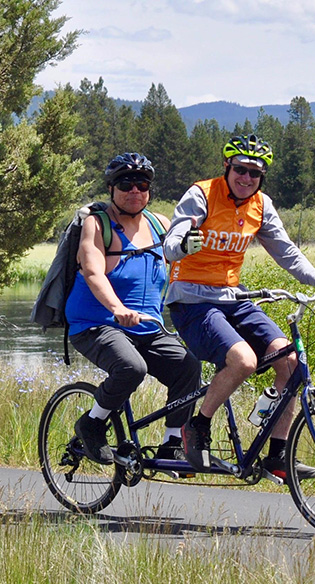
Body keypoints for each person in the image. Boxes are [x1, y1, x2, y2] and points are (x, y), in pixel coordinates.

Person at [163, 134, 315, 477]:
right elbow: (172, 241)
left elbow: (285, 251)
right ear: (227, 168)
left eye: (255, 174)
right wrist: (184, 244)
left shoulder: (261, 204)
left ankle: (277, 454)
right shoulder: (202, 194)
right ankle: (197, 428)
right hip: (192, 300)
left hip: (233, 296)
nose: (246, 179)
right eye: (240, 170)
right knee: (243, 360)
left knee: (289, 361)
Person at [67, 153, 202, 465]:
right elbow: (92, 272)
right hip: (97, 323)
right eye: (126, 183)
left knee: (188, 368)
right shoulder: (97, 225)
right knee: (132, 367)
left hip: (147, 326)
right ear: (112, 188)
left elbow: (184, 265)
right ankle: (93, 422)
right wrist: (117, 308)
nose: (135, 191)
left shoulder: (161, 224)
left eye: (142, 184)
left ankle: (171, 444)